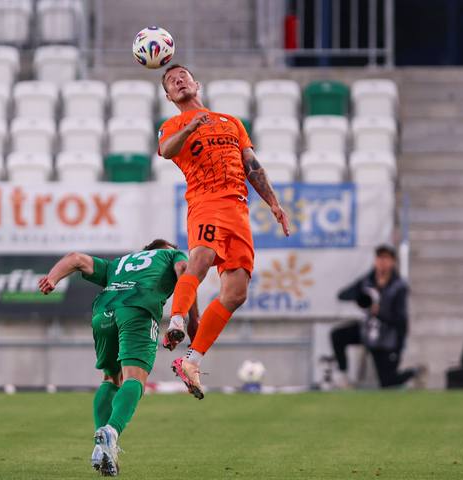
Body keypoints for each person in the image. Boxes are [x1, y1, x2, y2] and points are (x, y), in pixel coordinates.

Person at [157, 64, 291, 399]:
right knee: (201, 258)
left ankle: (191, 361)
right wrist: (190, 127)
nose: (178, 80)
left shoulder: (231, 121)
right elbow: (166, 151)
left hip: (238, 209)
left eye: (183, 76)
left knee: (236, 292)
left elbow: (251, 165)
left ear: (197, 83)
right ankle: (176, 320)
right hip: (206, 201)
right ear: (169, 97)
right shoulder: (172, 125)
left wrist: (273, 203)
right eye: (171, 81)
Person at [38, 239, 198, 477]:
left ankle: (101, 447)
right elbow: (186, 271)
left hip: (103, 313)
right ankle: (111, 431)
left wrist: (52, 278)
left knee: (111, 378)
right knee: (135, 379)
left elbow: (75, 259)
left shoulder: (120, 263)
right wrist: (186, 318)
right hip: (138, 311)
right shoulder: (171, 256)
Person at [331, 244, 425, 388]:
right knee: (337, 335)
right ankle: (342, 373)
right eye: (379, 258)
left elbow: (400, 319)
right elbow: (343, 294)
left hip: (385, 339)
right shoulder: (367, 280)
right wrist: (362, 298)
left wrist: (380, 313)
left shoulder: (399, 286)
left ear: (393, 262)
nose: (382, 262)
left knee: (387, 382)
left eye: (386, 258)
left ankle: (414, 372)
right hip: (367, 331)